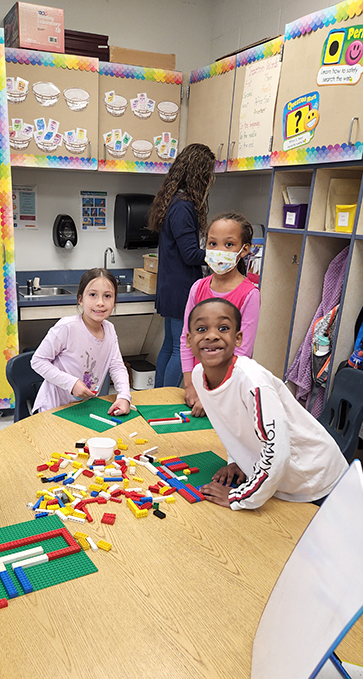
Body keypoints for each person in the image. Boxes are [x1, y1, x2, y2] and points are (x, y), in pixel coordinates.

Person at [186, 299, 348, 510]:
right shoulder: (199, 376)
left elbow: (277, 449)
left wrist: (239, 497)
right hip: (277, 482)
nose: (212, 335)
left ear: (238, 338)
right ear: (189, 339)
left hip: (315, 480)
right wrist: (238, 461)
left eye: (223, 328)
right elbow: (233, 426)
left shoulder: (253, 382)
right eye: (201, 328)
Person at [148, 142, 215, 387]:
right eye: (208, 173)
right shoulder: (184, 207)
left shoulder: (174, 202)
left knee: (169, 344)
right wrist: (219, 255)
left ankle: (156, 397)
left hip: (170, 286)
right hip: (181, 289)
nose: (210, 179)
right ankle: (164, 401)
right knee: (180, 348)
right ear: (198, 173)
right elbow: (190, 255)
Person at [181, 211, 260, 416]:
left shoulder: (249, 294)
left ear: (244, 250)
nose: (219, 251)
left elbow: (242, 353)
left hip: (228, 392)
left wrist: (215, 394)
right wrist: (189, 384)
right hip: (196, 388)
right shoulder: (197, 288)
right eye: (213, 244)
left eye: (229, 244)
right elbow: (186, 339)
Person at [31, 267, 131, 414]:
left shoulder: (109, 330)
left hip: (84, 407)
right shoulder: (67, 327)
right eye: (93, 295)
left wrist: (124, 396)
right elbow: (37, 361)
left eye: (107, 296)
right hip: (52, 408)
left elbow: (116, 366)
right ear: (80, 299)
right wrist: (72, 384)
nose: (100, 303)